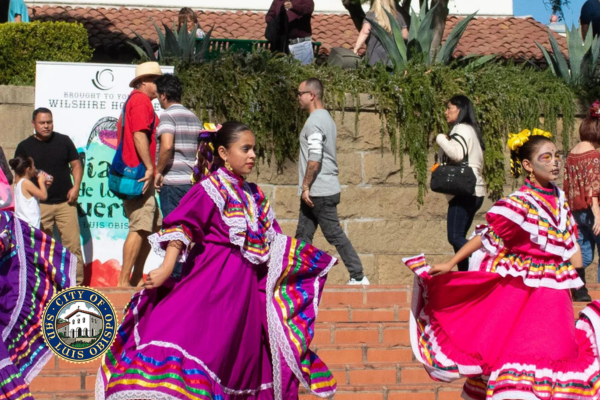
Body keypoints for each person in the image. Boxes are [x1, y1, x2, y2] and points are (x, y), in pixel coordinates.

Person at [96, 121, 337, 400]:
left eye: (254, 149)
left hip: (244, 296)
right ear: (223, 152)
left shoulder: (255, 195)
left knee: (236, 363)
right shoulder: (210, 188)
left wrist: (316, 261)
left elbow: (277, 243)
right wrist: (164, 268)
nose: (252, 155)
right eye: (245, 149)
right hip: (209, 288)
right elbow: (183, 227)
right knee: (199, 349)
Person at [402, 131, 600, 400]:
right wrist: (451, 263)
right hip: (526, 297)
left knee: (561, 353)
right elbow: (487, 236)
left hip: (556, 292)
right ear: (528, 165)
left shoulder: (560, 198)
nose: (555, 163)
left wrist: (576, 274)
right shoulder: (520, 202)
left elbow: (571, 248)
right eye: (547, 157)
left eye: (557, 156)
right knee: (530, 356)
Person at [295, 78, 368, 285]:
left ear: (311, 95)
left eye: (300, 94)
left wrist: (306, 186)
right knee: (303, 236)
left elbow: (315, 156)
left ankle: (358, 275)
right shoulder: (326, 118)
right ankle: (299, 279)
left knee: (334, 234)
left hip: (319, 192)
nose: (298, 98)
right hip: (317, 191)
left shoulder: (315, 121)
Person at [15, 108, 84, 284]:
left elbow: (76, 165)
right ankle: (44, 286)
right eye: (42, 123)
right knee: (40, 248)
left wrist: (76, 187)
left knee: (73, 246)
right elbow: (18, 177)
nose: (46, 126)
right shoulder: (24, 146)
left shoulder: (64, 141)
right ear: (33, 124)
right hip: (39, 206)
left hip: (66, 203)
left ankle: (77, 285)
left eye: (49, 122)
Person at [117, 61, 163, 287]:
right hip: (138, 174)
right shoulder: (141, 101)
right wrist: (149, 167)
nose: (158, 84)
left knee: (151, 227)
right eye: (155, 79)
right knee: (138, 226)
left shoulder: (136, 101)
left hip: (137, 172)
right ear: (144, 82)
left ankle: (135, 277)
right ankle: (123, 281)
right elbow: (138, 135)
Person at [436, 95, 485, 271]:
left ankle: (484, 259)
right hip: (473, 191)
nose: (446, 112)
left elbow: (456, 154)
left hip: (464, 192)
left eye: (449, 108)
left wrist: (440, 138)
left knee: (455, 237)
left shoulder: (461, 128)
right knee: (459, 239)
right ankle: (465, 275)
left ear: (460, 109)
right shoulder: (471, 130)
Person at [563, 102, 600, 302]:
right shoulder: (593, 155)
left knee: (583, 255)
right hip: (593, 211)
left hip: (575, 211)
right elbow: (594, 188)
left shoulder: (572, 152)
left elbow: (568, 185)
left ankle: (576, 287)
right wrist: (597, 215)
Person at [154, 73, 202, 218]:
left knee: (173, 232)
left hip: (172, 183)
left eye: (158, 95)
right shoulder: (194, 117)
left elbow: (167, 146)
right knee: (188, 230)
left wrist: (158, 172)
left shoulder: (168, 115)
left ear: (163, 95)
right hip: (192, 183)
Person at [352, 0, 408, 66]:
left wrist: (356, 49)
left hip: (374, 59)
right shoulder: (398, 16)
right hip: (393, 60)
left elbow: (365, 32)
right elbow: (405, 35)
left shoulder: (371, 15)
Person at [265, 0, 315, 64]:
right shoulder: (278, 1)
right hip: (281, 46)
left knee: (302, 72)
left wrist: (293, 6)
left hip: (300, 45)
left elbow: (308, 9)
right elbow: (269, 16)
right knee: (282, 73)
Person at [9, 156, 48, 229]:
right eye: (33, 166)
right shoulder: (26, 183)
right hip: (30, 224)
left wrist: (45, 186)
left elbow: (36, 198)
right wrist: (41, 181)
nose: (35, 168)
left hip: (23, 223)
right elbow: (44, 196)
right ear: (28, 169)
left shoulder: (18, 182)